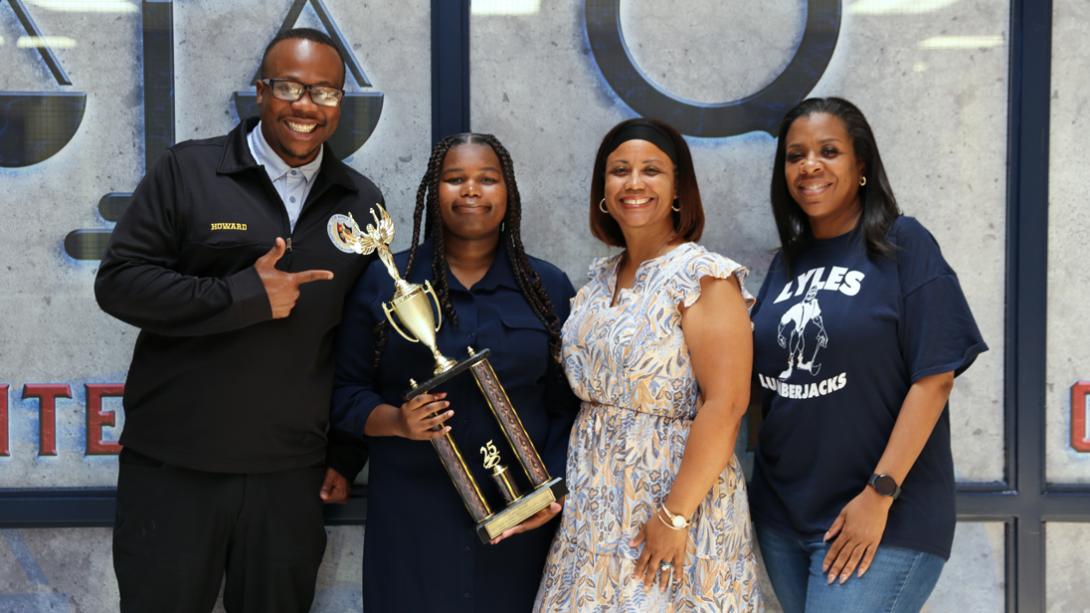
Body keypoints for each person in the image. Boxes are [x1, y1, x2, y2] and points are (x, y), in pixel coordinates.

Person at [94, 28, 381, 613]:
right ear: (260, 91)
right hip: (175, 469)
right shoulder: (188, 171)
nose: (306, 106)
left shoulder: (360, 202)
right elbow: (120, 283)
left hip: (289, 478)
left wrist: (346, 454)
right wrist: (242, 295)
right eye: (290, 87)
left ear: (340, 103)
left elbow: (359, 343)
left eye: (324, 92)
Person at [748, 97, 988, 612]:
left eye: (828, 151)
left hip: (882, 516)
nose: (809, 165)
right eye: (795, 156)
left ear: (860, 167)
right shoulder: (783, 266)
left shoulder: (903, 244)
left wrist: (880, 493)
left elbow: (935, 379)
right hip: (782, 519)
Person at [331, 133, 579, 612]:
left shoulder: (545, 287)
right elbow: (344, 393)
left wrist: (553, 488)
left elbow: (568, 406)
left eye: (487, 179)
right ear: (432, 190)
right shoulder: (387, 281)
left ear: (508, 192)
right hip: (412, 514)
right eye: (455, 179)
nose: (471, 190)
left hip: (518, 518)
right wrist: (398, 422)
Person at [534, 118, 761, 611]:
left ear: (678, 187)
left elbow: (726, 404)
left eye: (651, 170)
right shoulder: (597, 280)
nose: (634, 183)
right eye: (619, 171)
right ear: (603, 189)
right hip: (592, 512)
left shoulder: (705, 278)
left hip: (676, 506)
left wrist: (674, 516)